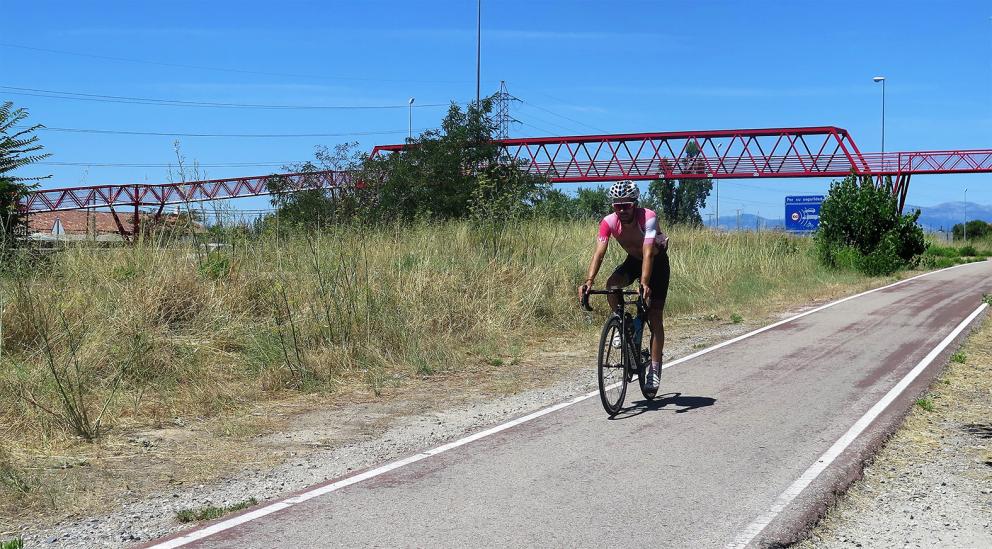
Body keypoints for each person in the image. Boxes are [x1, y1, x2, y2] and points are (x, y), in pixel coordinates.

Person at [577, 180, 670, 390]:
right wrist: (589, 282)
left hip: (656, 263)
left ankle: (654, 369)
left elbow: (647, 252)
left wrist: (644, 283)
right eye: (617, 206)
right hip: (633, 262)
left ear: (635, 204)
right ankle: (623, 324)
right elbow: (599, 253)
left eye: (626, 205)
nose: (622, 210)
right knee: (612, 285)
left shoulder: (648, 217)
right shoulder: (608, 222)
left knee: (655, 316)